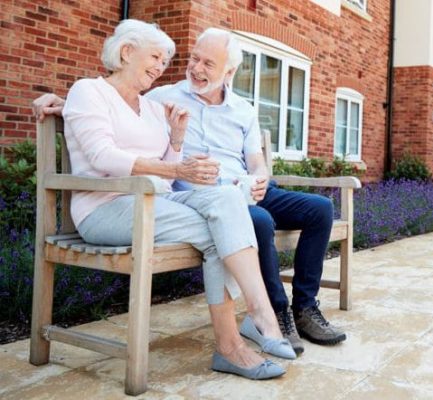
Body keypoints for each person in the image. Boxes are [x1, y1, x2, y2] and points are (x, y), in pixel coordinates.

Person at [32, 27, 347, 356]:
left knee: (319, 209)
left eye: (208, 64)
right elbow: (110, 108)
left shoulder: (238, 109)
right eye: (193, 59)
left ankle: (302, 309)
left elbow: (254, 160)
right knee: (254, 221)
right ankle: (272, 314)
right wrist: (65, 103)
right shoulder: (162, 96)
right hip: (183, 197)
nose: (195, 69)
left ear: (229, 71)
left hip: (238, 190)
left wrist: (259, 177)